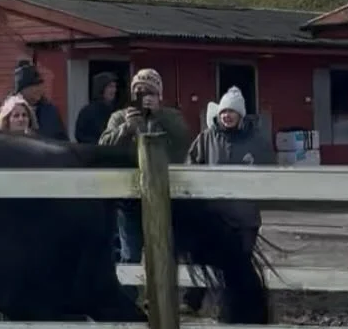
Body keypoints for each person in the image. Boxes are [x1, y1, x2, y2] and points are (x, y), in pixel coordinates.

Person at [183, 86, 275, 315]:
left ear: (240, 115)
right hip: (215, 214)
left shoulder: (257, 141)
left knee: (239, 265)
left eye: (232, 112)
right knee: (206, 258)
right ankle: (191, 301)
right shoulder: (206, 138)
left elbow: (270, 171)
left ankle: (232, 310)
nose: (227, 116)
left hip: (245, 216)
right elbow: (191, 165)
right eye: (224, 112)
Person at [99, 68, 190, 265]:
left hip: (164, 196)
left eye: (149, 92)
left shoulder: (171, 116)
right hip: (129, 197)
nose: (143, 96)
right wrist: (126, 128)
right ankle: (129, 295)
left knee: (163, 253)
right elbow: (103, 147)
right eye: (138, 91)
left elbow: (183, 141)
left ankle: (164, 295)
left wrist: (159, 115)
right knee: (129, 254)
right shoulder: (119, 117)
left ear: (159, 95)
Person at [11, 60, 67, 140]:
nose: (38, 89)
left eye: (39, 85)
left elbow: (62, 140)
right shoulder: (9, 111)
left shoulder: (50, 111)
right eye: (33, 86)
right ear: (22, 90)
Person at [73, 72, 119, 143]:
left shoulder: (116, 111)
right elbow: (80, 135)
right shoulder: (87, 112)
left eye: (115, 86)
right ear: (101, 88)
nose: (114, 90)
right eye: (110, 86)